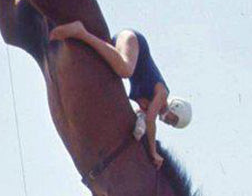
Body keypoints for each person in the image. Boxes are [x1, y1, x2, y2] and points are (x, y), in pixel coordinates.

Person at [49, 22, 192, 169]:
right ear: (176, 107)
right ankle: (81, 32)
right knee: (125, 70)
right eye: (173, 120)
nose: (169, 122)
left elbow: (142, 120)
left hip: (124, 49)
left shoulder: (146, 107)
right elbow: (150, 120)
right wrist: (153, 151)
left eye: (172, 124)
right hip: (132, 40)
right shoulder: (162, 94)